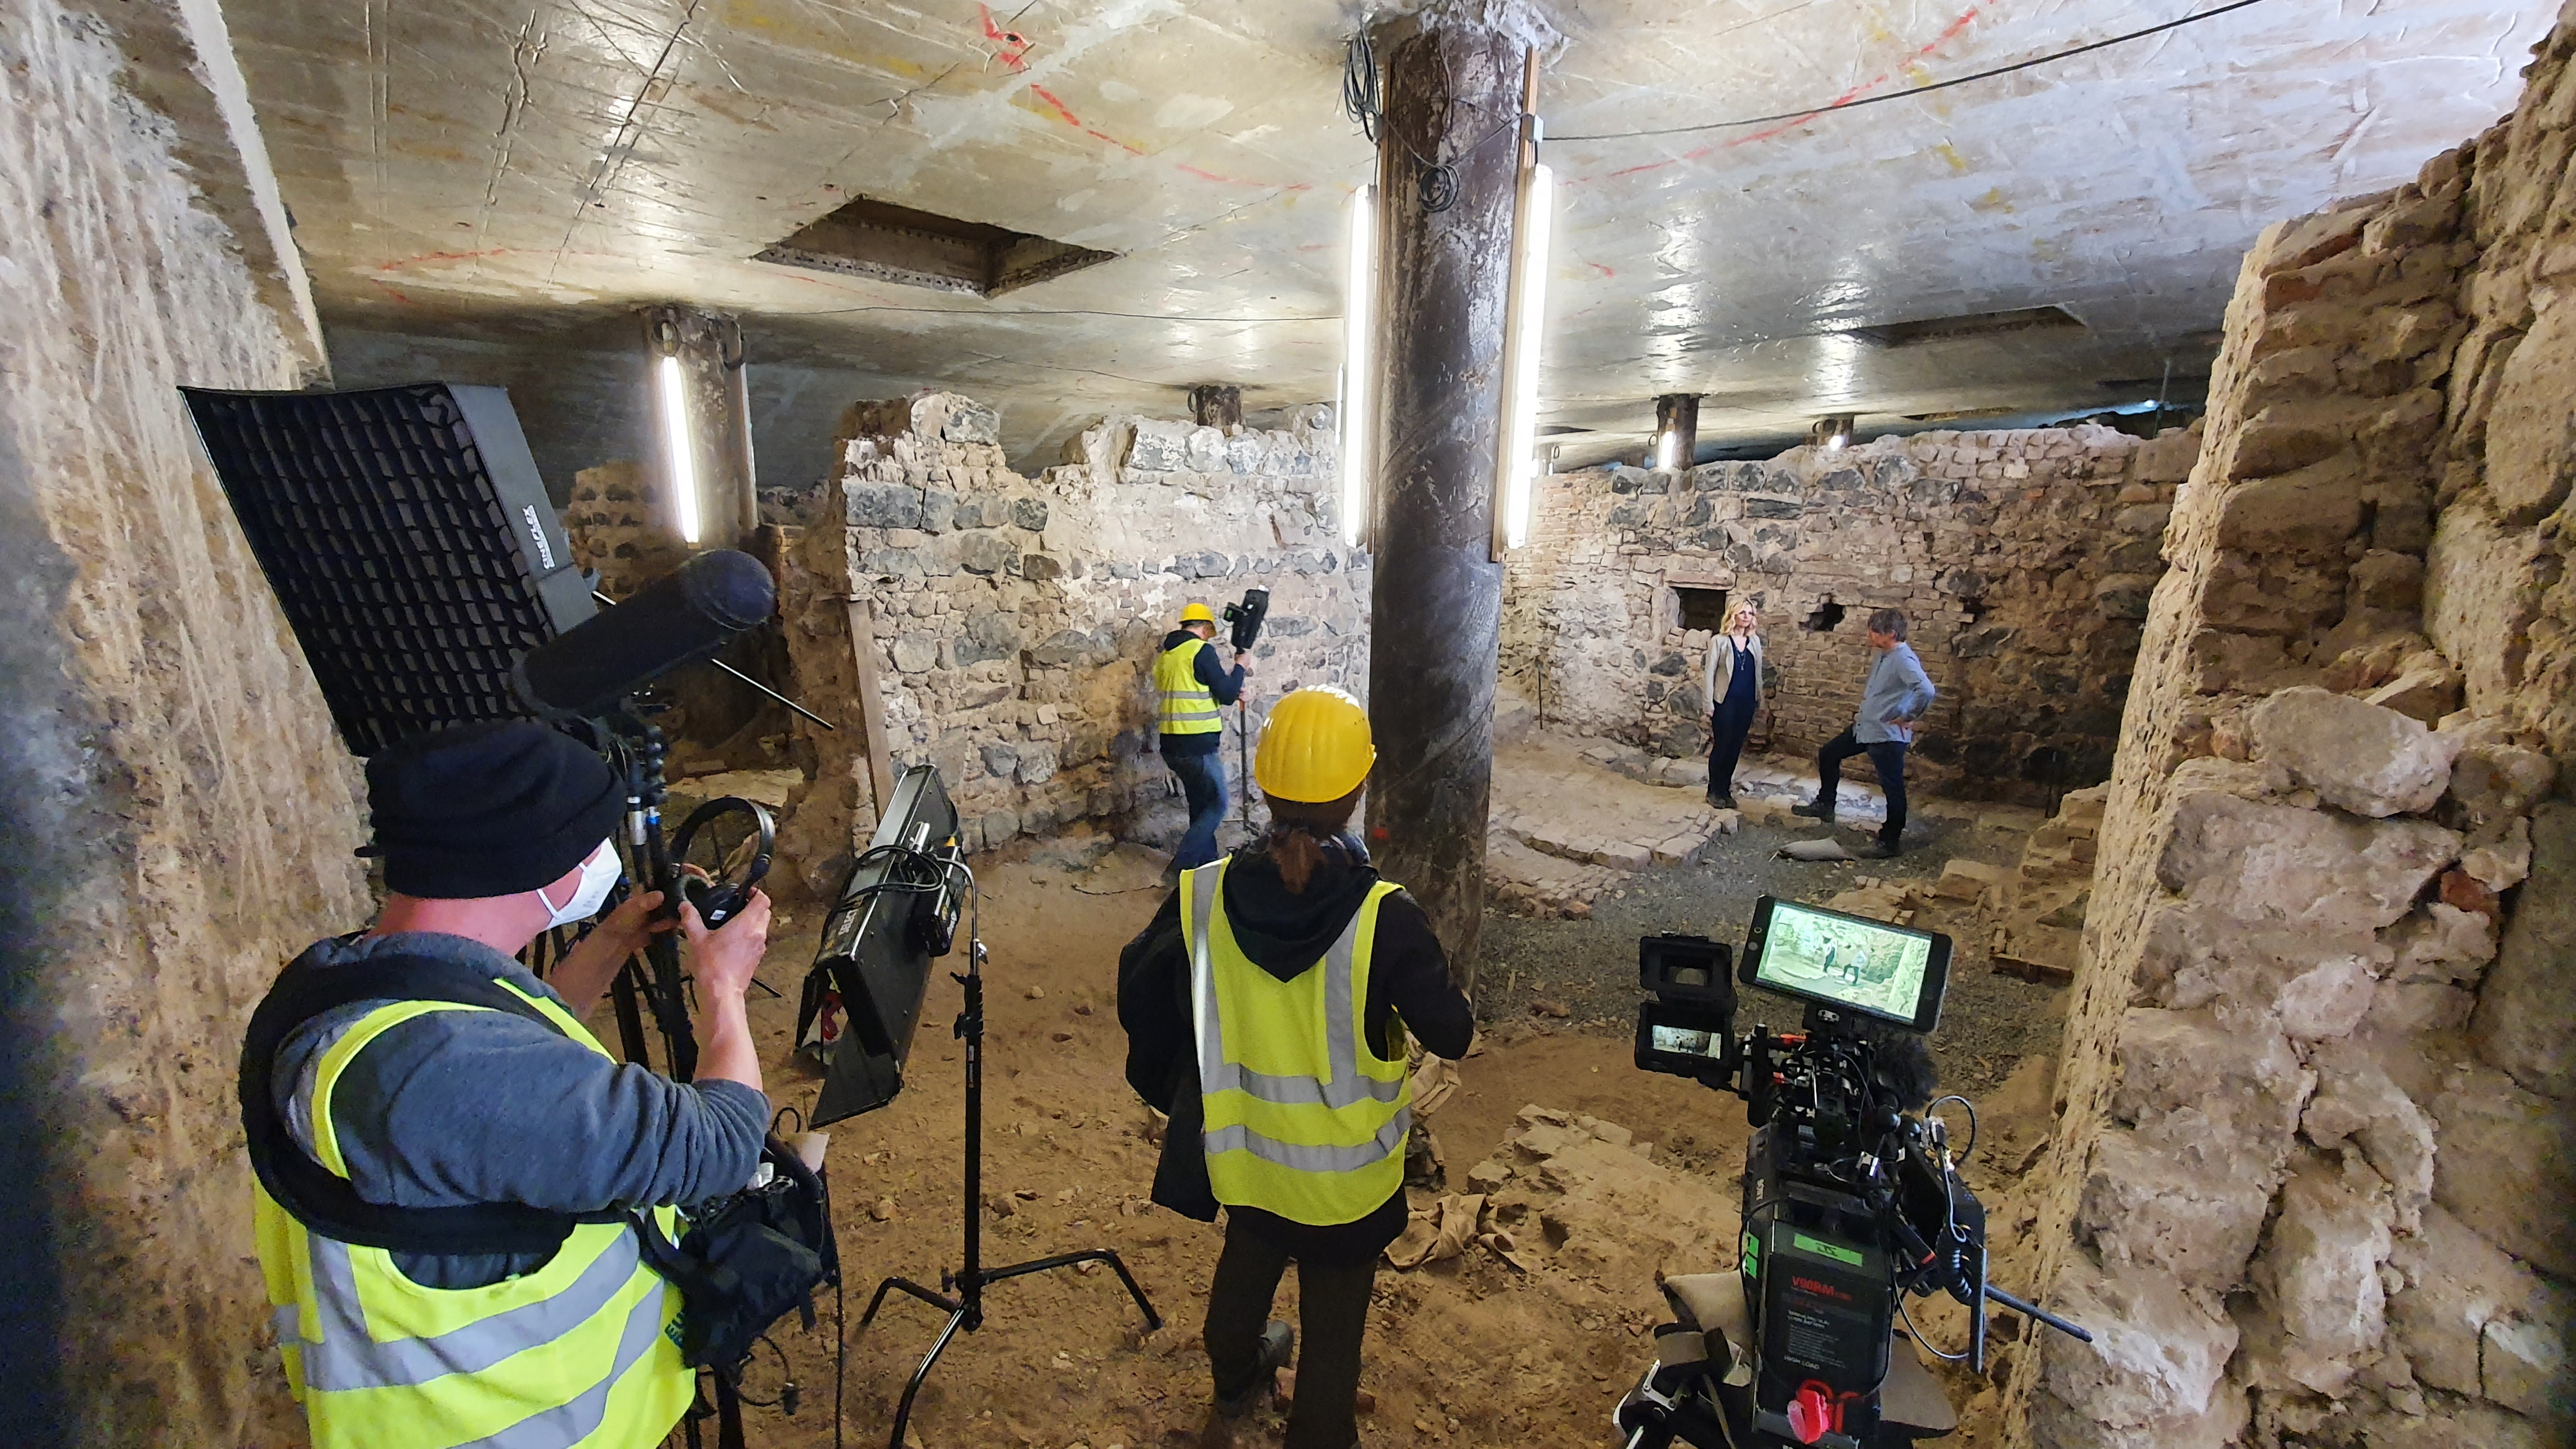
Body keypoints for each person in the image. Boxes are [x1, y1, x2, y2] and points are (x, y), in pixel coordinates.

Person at [244, 721, 775, 1449]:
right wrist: (725, 988)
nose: (606, 861)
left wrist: (613, 941)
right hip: (512, 1427)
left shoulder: (361, 981)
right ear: (550, 868)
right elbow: (721, 1143)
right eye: (597, 844)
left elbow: (516, 1057)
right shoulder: (440, 1069)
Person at [1117, 688, 1474, 1449]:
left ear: (1265, 783)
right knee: (1333, 1339)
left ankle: (1238, 1376)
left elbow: (1142, 996)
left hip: (1248, 1164)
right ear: (1357, 791)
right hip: (1347, 1186)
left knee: (1245, 1277)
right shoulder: (1387, 915)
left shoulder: (1204, 893)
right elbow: (1454, 1030)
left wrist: (1183, 1083)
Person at [1792, 608, 1937, 859]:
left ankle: (1890, 842)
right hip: (1865, 728)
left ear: (1890, 634)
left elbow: (1926, 690)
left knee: (1892, 788)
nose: (1869, 635)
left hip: (1885, 734)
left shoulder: (1903, 658)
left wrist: (1908, 716)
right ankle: (1826, 805)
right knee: (1829, 754)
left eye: (1873, 631)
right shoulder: (1885, 654)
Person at [1156, 601, 1253, 871]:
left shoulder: (1168, 656)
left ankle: (1207, 865)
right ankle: (1181, 867)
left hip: (1171, 744)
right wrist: (1240, 667)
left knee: (1200, 805)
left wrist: (1234, 688)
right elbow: (1225, 694)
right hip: (1197, 744)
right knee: (1219, 804)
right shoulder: (1201, 651)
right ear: (1205, 627)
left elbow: (1203, 689)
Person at [1700, 600, 1765, 808]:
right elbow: (1709, 673)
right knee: (1723, 745)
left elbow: (1758, 672)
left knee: (1736, 746)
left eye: (1750, 613)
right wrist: (1708, 703)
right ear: (1733, 615)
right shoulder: (1719, 641)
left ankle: (1725, 790)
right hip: (1725, 701)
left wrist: (1760, 700)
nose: (1746, 617)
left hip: (1746, 701)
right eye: (1742, 613)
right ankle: (1714, 790)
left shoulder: (1754, 641)